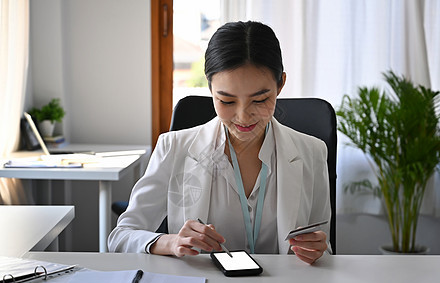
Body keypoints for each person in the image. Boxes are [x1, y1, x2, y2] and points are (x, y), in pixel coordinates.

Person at [108, 21, 331, 264]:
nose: (243, 117)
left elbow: (324, 247)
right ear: (210, 87)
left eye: (260, 100)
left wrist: (318, 248)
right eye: (226, 101)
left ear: (280, 85)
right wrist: (171, 242)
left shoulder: (312, 153)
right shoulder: (173, 148)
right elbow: (121, 237)